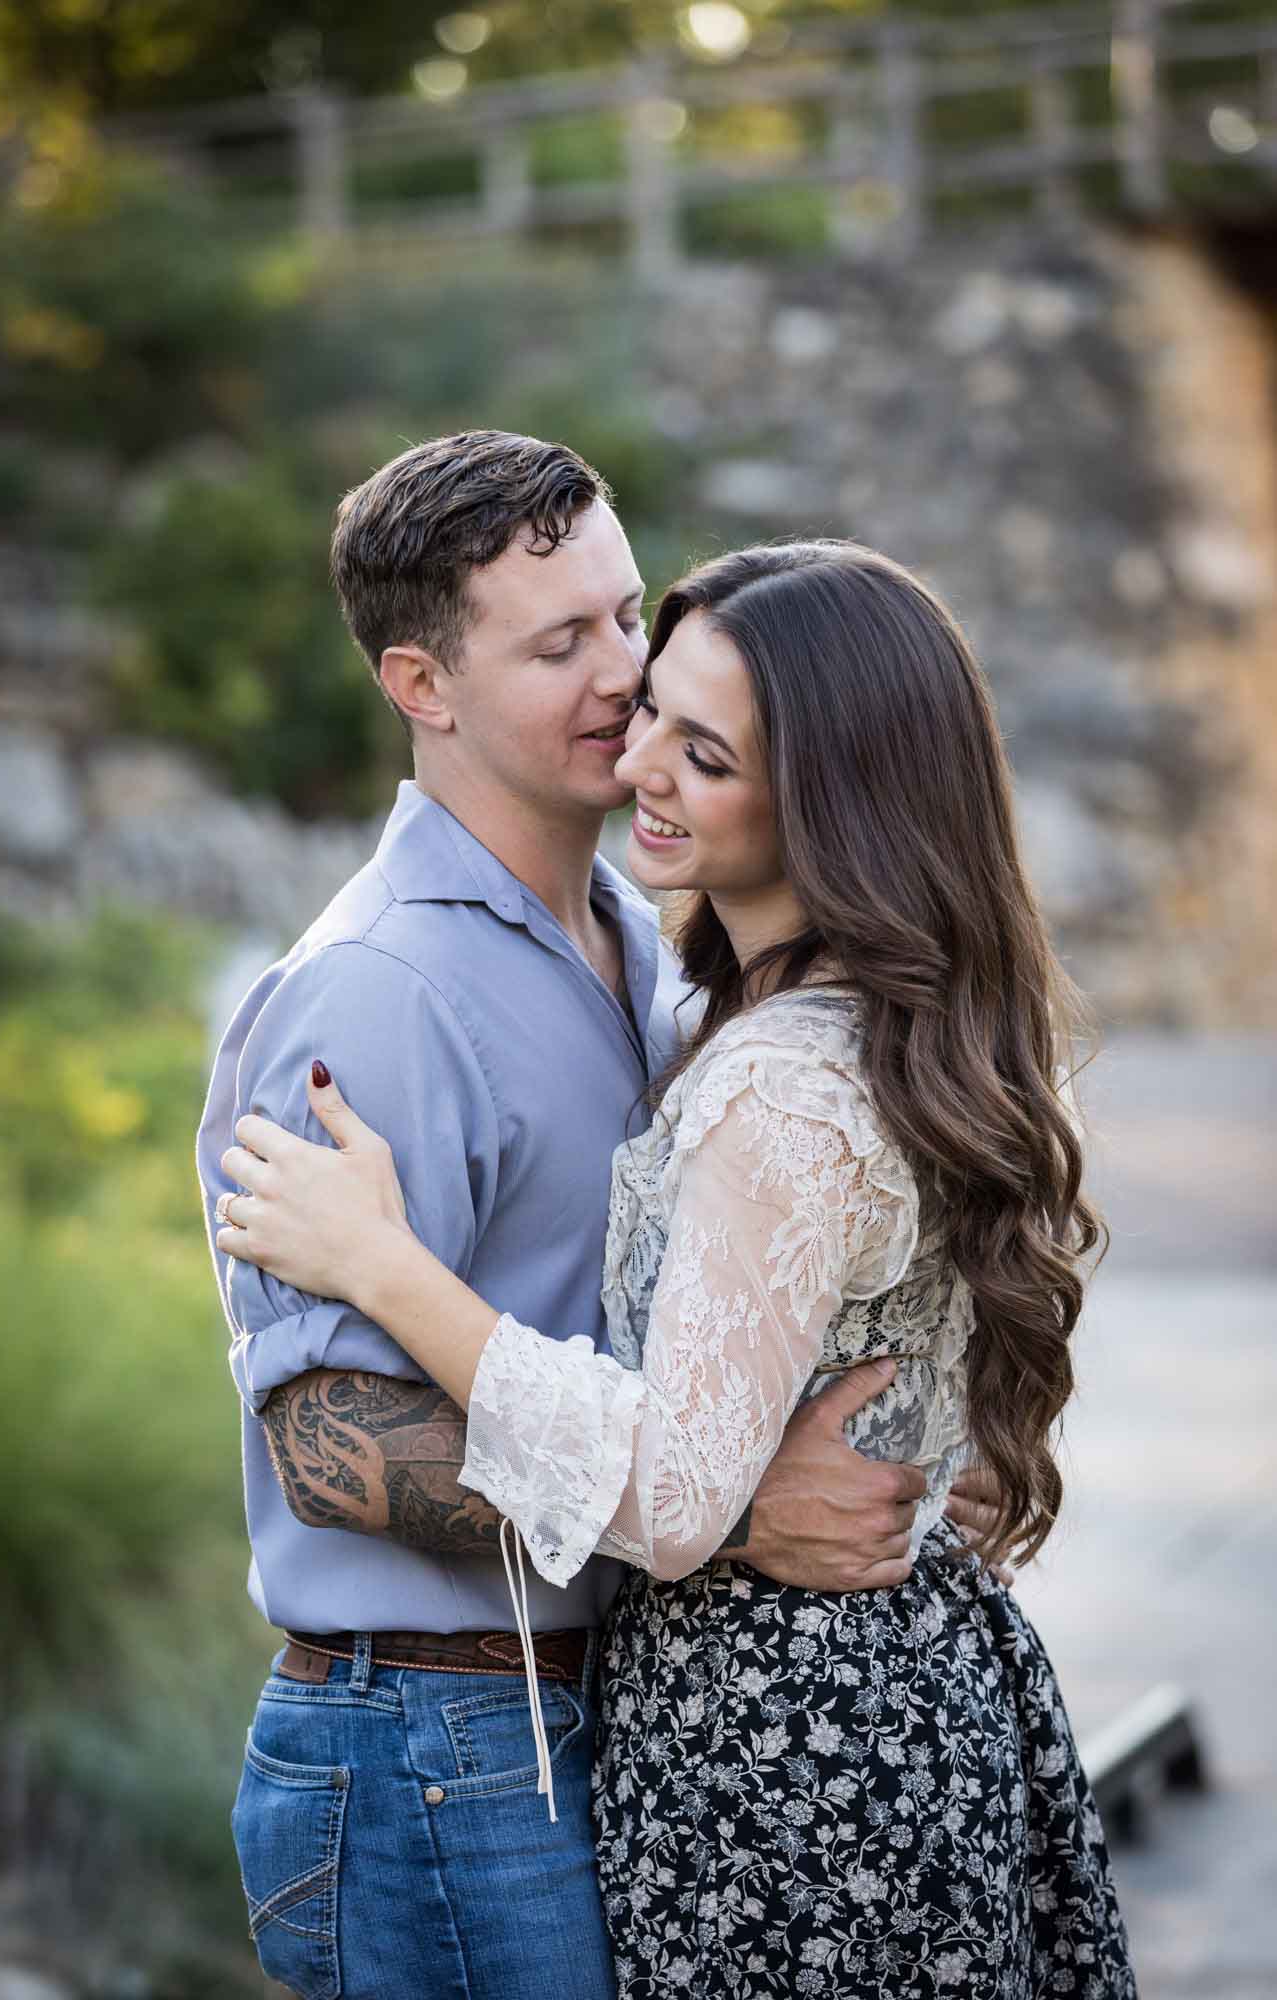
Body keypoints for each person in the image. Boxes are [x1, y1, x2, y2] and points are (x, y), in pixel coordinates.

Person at [217, 538, 1138, 1998]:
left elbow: (729, 1428)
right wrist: (746, 1499)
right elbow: (326, 1447)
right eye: (562, 650)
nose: (622, 719)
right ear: (419, 685)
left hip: (781, 1743)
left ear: (826, 801)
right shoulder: (399, 990)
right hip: (459, 1732)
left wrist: (408, 1277)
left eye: (635, 652)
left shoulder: (709, 1005)